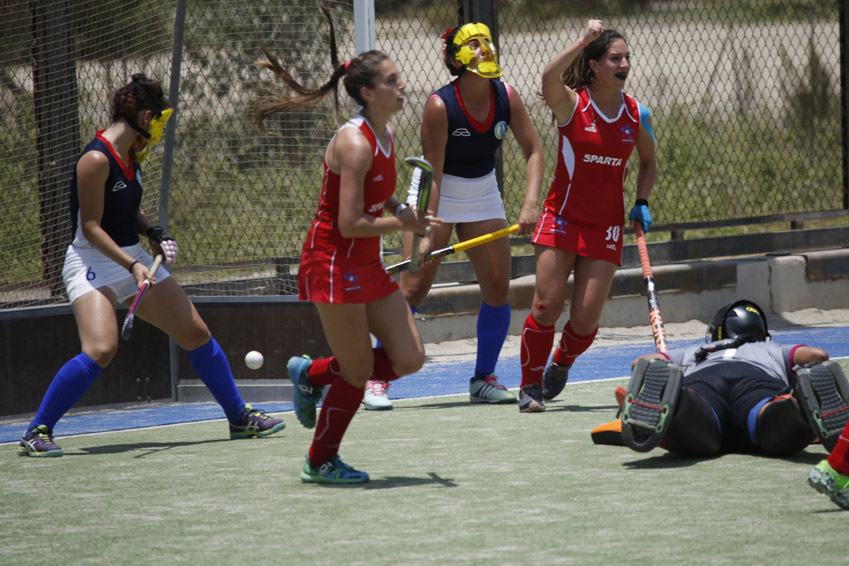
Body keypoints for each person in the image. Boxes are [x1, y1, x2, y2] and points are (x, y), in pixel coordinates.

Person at [17, 74, 285, 458]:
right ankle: (36, 430)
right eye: (157, 119)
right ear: (144, 115)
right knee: (100, 349)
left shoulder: (131, 154)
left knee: (196, 333)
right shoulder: (95, 159)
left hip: (132, 257)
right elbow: (91, 228)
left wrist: (152, 231)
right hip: (91, 261)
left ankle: (239, 418)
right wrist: (131, 266)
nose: (158, 128)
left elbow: (129, 209)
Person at [254, 8, 440, 484]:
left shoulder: (387, 132)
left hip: (365, 261)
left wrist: (402, 210)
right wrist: (403, 222)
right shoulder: (353, 144)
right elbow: (352, 221)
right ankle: (319, 461)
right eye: (393, 80)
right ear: (367, 92)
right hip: (332, 262)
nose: (403, 86)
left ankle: (314, 373)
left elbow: (381, 196)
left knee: (410, 357)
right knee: (357, 373)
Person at [363, 22, 544, 410]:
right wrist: (427, 230)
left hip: (482, 190)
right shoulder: (439, 105)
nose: (484, 50)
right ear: (457, 58)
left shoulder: (507, 96)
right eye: (474, 45)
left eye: (487, 43)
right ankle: (376, 378)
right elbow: (436, 172)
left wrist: (531, 203)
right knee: (412, 289)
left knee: (498, 290)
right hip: (437, 189)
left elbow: (534, 151)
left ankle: (483, 379)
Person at [518, 19, 657, 413]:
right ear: (595, 65)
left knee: (583, 322)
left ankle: (561, 363)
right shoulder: (572, 103)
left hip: (606, 228)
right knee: (546, 305)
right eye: (615, 58)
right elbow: (547, 76)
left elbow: (648, 163)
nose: (625, 64)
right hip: (561, 218)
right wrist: (583, 40)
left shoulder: (636, 115)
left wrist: (642, 200)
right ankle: (530, 387)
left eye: (628, 57)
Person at [619, 299, 849, 458]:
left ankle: (678, 401)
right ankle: (798, 405)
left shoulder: (698, 348)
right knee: (766, 420)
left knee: (704, 433)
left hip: (704, 381)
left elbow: (640, 363)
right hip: (756, 381)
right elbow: (818, 356)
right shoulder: (770, 347)